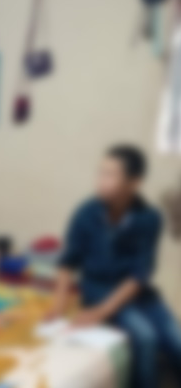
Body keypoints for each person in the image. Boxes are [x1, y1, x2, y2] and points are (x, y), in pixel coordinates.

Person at [48, 144, 181, 388]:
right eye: (100, 172)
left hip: (138, 292)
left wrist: (100, 313)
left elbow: (140, 274)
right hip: (98, 289)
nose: (101, 181)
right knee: (145, 338)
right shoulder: (86, 213)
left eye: (110, 175)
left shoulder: (149, 218)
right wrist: (58, 306)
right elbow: (68, 262)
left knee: (176, 340)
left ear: (134, 183)